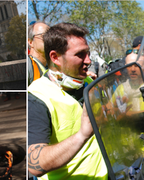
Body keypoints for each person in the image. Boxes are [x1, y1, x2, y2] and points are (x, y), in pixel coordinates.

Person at [28, 22, 107, 180]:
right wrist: (81, 135)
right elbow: (34, 165)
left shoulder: (89, 85)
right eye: (80, 55)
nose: (88, 61)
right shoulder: (36, 96)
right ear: (55, 57)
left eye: (88, 54)